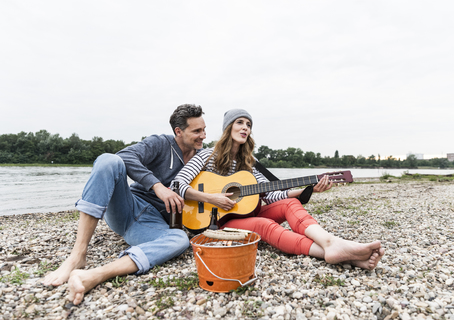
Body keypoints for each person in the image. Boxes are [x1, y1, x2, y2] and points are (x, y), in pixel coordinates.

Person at [173, 109, 384, 270]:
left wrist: (307, 191)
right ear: (228, 127)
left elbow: (272, 194)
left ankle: (331, 244)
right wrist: (212, 198)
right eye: (240, 122)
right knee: (265, 225)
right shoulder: (206, 156)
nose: (245, 127)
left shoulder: (250, 162)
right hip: (220, 221)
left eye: (249, 124)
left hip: (249, 212)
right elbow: (177, 184)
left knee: (290, 203)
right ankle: (337, 254)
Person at [42, 104, 206, 305]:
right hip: (128, 206)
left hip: (150, 225)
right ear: (178, 132)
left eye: (204, 129)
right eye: (197, 131)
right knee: (108, 160)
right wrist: (157, 186)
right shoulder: (161, 143)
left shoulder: (202, 157)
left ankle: (96, 274)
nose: (203, 135)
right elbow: (125, 156)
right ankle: (78, 254)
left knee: (180, 240)